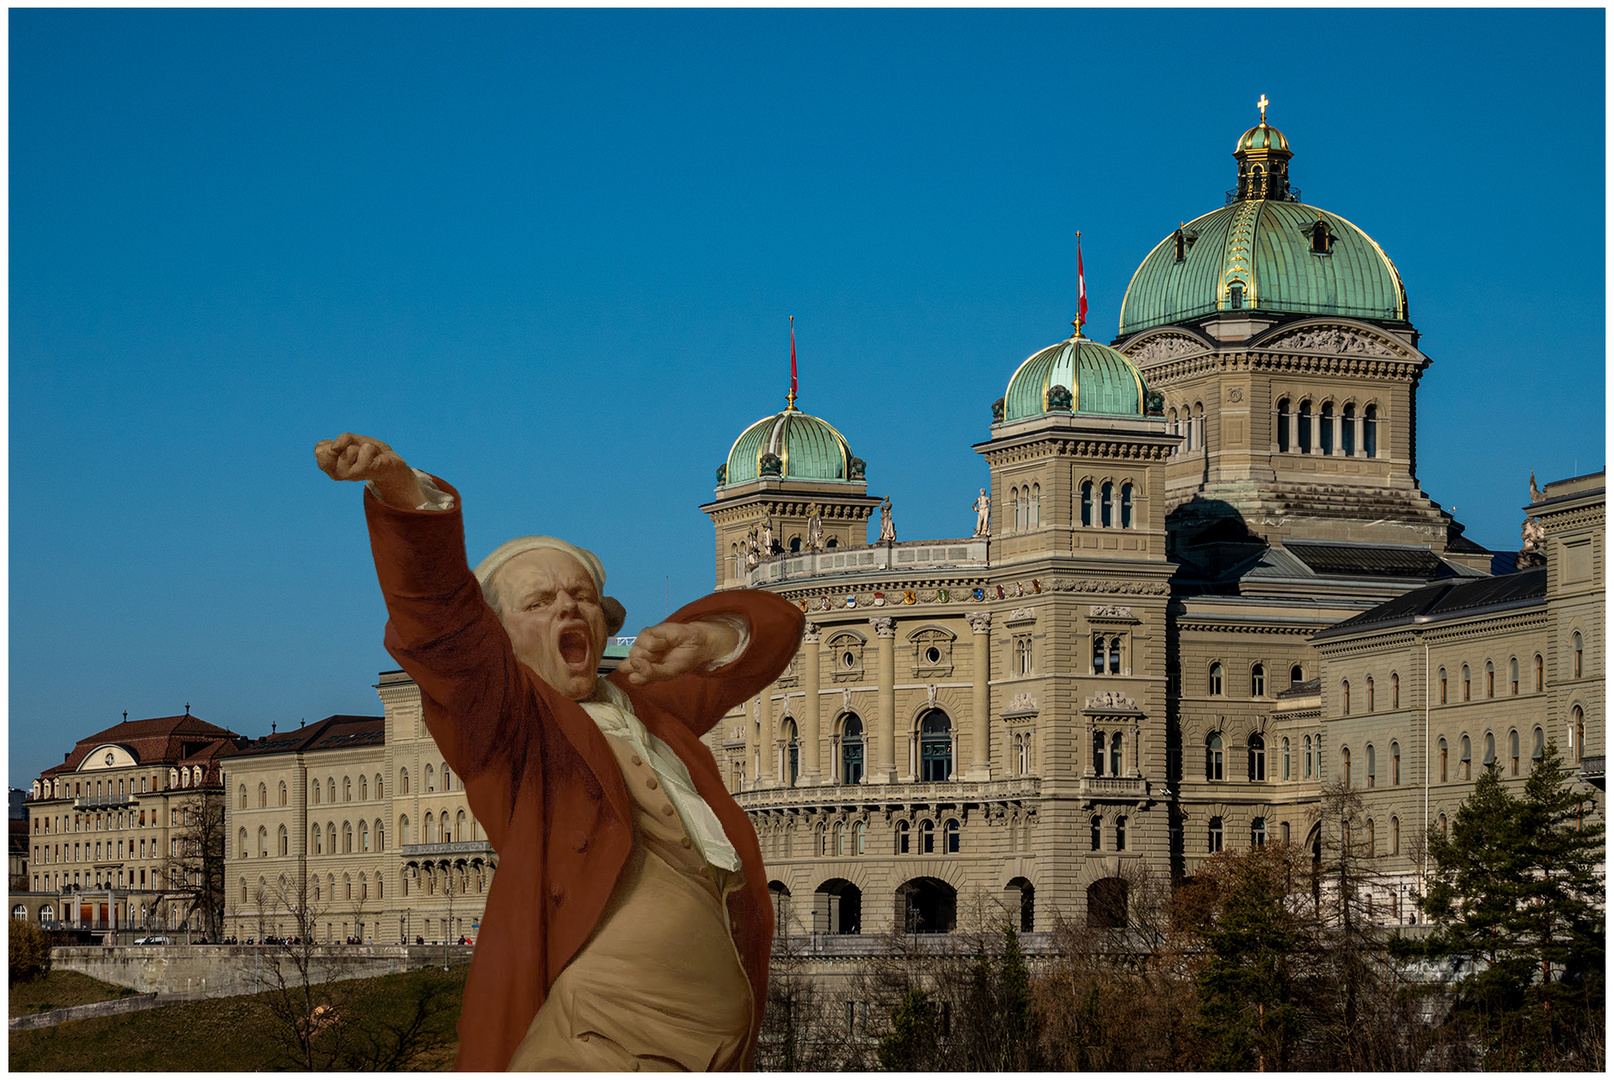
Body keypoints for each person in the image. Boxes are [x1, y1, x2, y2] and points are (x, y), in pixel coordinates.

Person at [314, 432, 802, 1072]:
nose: (568, 605)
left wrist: (707, 636)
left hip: (710, 1040)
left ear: (604, 623)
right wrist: (407, 498)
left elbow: (780, 629)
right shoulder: (511, 728)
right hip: (601, 1031)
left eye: (583, 597)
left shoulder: (647, 704)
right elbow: (439, 623)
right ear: (497, 638)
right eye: (538, 602)